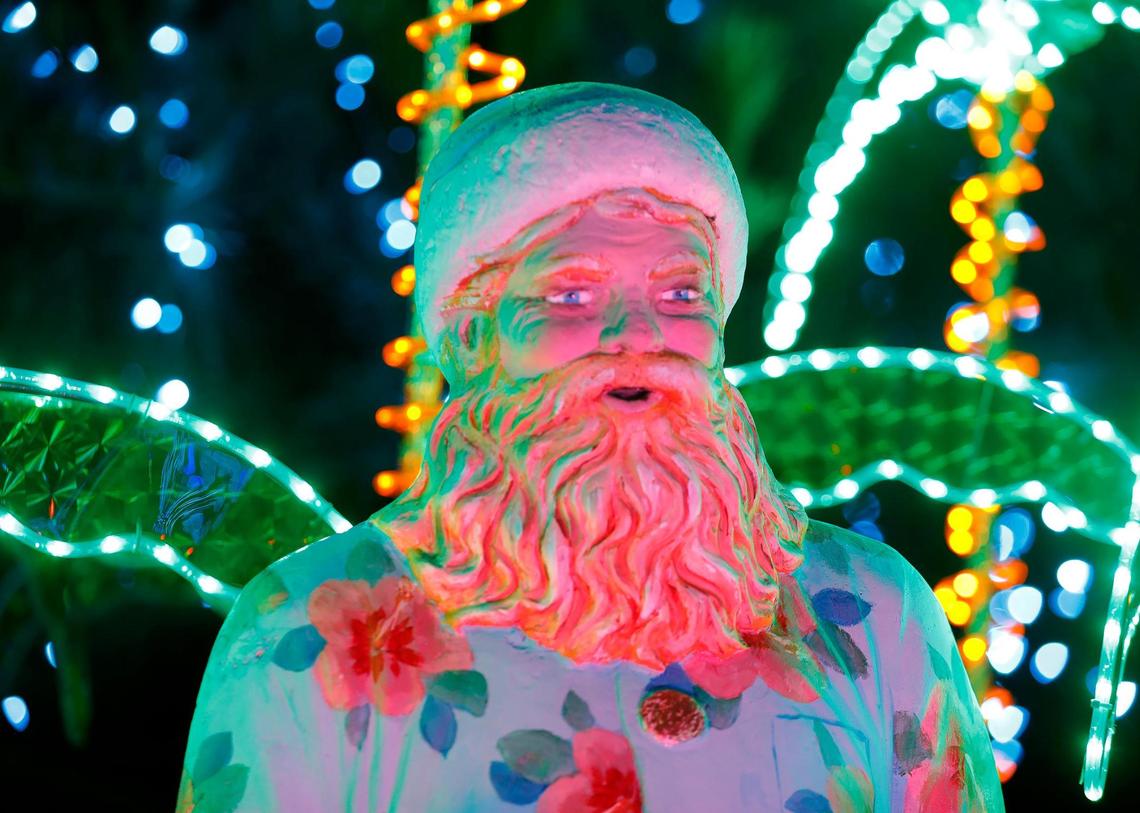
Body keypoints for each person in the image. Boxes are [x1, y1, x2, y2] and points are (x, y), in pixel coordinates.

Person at [177, 83, 1004, 812]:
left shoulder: (874, 613)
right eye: (571, 294)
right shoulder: (305, 637)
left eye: (681, 292)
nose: (636, 334)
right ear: (475, 337)